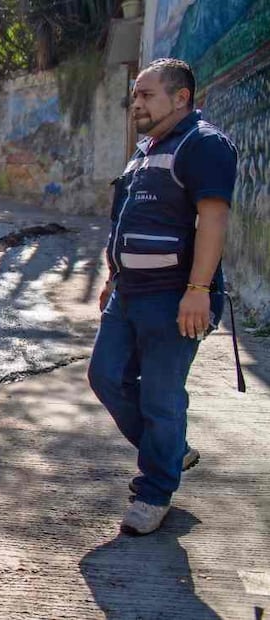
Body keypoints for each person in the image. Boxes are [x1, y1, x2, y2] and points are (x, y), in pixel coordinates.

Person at [88, 58, 237, 535]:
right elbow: (124, 221)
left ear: (181, 98)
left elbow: (213, 219)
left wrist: (198, 290)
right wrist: (113, 276)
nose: (136, 103)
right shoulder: (145, 151)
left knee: (160, 397)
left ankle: (154, 492)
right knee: (106, 376)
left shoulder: (203, 144)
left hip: (174, 297)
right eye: (135, 95)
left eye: (147, 95)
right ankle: (171, 453)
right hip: (128, 293)